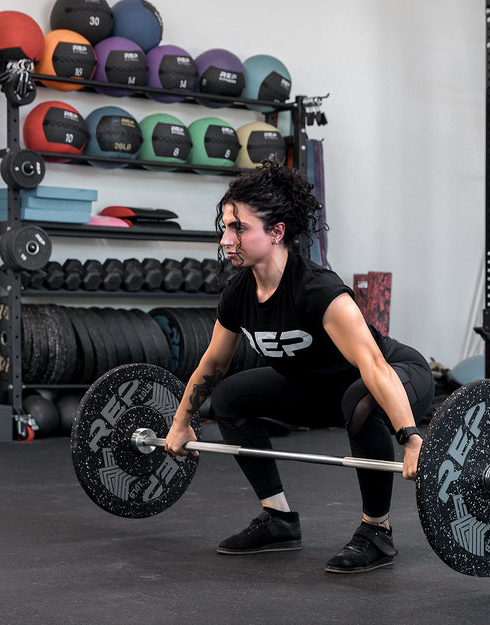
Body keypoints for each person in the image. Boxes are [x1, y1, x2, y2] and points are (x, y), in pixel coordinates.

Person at [165, 161, 435, 574]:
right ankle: (279, 520)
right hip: (318, 389)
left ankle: (377, 532)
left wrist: (411, 438)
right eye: (225, 227)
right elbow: (214, 362)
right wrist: (182, 422)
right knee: (229, 397)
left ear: (276, 233)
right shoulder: (239, 293)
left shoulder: (318, 290)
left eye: (238, 228)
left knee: (359, 399)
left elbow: (373, 364)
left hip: (394, 375)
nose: (226, 239)